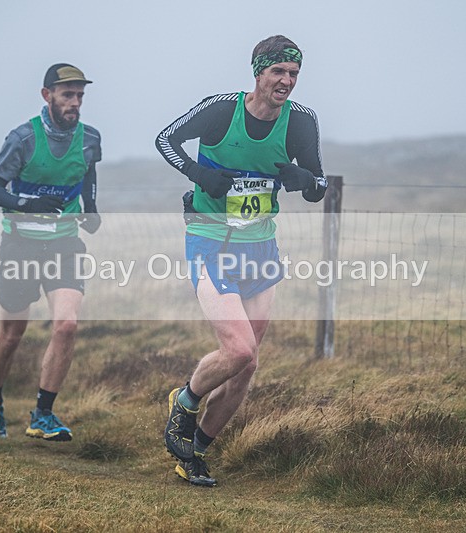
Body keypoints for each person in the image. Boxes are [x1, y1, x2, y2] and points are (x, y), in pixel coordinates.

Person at [155, 35, 327, 486]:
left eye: (293, 74)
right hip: (211, 241)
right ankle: (186, 401)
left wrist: (304, 178)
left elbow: (320, 184)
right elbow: (165, 139)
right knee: (238, 349)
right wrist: (199, 174)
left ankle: (196, 451)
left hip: (261, 248)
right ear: (258, 71)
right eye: (278, 72)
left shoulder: (300, 121)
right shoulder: (220, 110)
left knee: (247, 365)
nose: (286, 81)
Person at [0, 63, 102, 442]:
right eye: (68, 95)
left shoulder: (89, 138)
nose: (75, 103)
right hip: (19, 244)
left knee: (66, 325)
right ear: (47, 95)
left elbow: (87, 174)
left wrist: (91, 208)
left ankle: (43, 415)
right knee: (12, 333)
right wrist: (26, 205)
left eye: (80, 95)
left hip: (64, 242)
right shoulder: (23, 139)